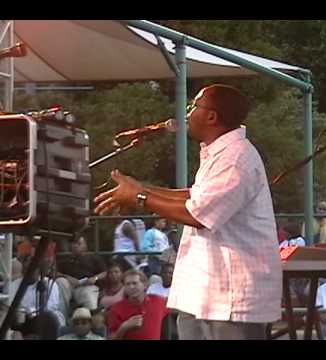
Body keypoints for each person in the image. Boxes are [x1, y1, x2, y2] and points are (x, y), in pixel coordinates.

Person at [95, 84, 281, 340]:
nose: (187, 113)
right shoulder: (220, 153)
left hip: (228, 298)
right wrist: (142, 189)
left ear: (211, 116)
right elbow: (196, 195)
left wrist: (140, 196)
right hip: (206, 292)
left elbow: (198, 214)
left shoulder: (235, 159)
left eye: (194, 106)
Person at [107, 269, 169, 340]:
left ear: (145, 285)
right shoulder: (117, 309)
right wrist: (125, 326)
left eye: (134, 283)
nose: (131, 287)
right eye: (127, 284)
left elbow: (176, 308)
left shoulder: (158, 301)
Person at [56, 235, 106, 310]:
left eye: (79, 244)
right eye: (74, 244)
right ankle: (63, 318)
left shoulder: (93, 257)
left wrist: (95, 278)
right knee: (60, 281)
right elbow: (55, 273)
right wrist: (66, 277)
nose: (76, 246)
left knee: (89, 294)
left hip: (86, 286)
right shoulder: (65, 259)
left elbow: (105, 272)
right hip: (69, 287)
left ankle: (93, 318)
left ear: (85, 245)